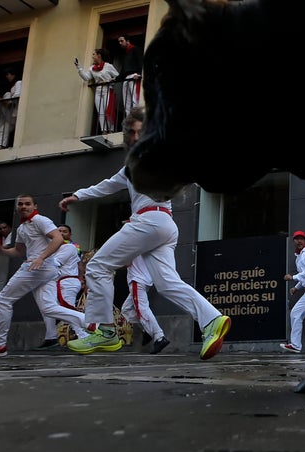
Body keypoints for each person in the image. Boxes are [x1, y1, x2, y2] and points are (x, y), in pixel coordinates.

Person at [60, 108, 232, 360]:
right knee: (166, 284)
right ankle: (212, 319)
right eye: (133, 132)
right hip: (163, 225)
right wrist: (79, 195)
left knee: (97, 266)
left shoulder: (159, 154)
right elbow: (107, 185)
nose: (137, 136)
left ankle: (105, 331)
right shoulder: (132, 165)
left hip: (150, 221)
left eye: (143, 130)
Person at [0, 194, 86, 356]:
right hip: (44, 269)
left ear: (34, 206)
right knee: (49, 308)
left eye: (27, 204)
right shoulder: (22, 228)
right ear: (17, 208)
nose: (24, 206)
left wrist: (41, 257)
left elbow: (57, 239)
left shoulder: (40, 220)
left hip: (38, 267)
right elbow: (18, 251)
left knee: (3, 300)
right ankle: (92, 324)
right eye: (20, 204)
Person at [37, 223, 84, 349]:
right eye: (59, 231)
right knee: (48, 309)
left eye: (64, 231)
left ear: (69, 234)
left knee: (69, 309)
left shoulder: (70, 247)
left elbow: (55, 263)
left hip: (67, 282)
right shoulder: (53, 248)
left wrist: (38, 259)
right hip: (56, 282)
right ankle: (51, 337)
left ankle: (83, 336)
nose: (61, 233)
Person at [121, 254, 168, 354]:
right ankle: (147, 331)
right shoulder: (143, 241)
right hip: (145, 278)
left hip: (137, 278)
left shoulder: (132, 242)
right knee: (126, 309)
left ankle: (159, 337)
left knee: (141, 309)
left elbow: (127, 262)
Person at [76, 49, 119, 135]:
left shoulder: (108, 66)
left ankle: (111, 130)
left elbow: (117, 76)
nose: (92, 56)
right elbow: (86, 77)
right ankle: (104, 130)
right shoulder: (92, 68)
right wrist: (79, 67)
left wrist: (108, 80)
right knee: (101, 111)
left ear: (99, 55)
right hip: (98, 91)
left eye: (93, 54)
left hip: (107, 90)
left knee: (108, 110)